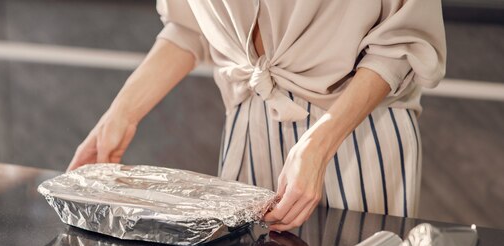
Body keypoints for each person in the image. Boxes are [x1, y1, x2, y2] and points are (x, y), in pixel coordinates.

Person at [67, 1, 446, 231]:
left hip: (356, 132)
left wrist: (317, 145)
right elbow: (189, 27)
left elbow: (399, 47)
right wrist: (119, 117)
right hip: (249, 124)